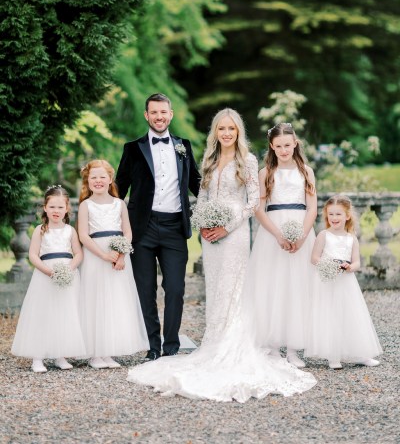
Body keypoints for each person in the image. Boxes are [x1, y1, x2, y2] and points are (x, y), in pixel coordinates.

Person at [126, 109, 316, 402]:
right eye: (222, 128)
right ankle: (213, 342)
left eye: (231, 129)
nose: (226, 133)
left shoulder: (249, 161)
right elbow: (201, 195)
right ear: (215, 132)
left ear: (238, 132)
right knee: (215, 289)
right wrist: (202, 221)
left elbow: (253, 201)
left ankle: (233, 344)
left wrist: (226, 226)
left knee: (233, 288)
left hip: (235, 232)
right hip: (209, 234)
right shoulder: (210, 159)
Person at [115, 93, 201, 360]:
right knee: (145, 288)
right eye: (154, 112)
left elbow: (196, 184)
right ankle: (153, 346)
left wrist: (218, 207)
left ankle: (171, 345)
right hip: (142, 227)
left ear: (170, 114)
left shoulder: (184, 146)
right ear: (147, 115)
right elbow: (119, 188)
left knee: (175, 288)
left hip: (175, 226)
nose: (159, 117)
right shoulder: (133, 148)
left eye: (163, 112)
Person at [243, 122, 317, 368]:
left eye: (288, 145)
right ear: (271, 147)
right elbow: (258, 209)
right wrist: (277, 234)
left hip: (301, 228)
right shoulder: (266, 173)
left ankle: (294, 349)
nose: (284, 150)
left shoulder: (306, 171)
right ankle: (273, 345)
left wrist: (303, 235)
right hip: (273, 232)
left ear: (295, 143)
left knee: (298, 286)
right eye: (278, 146)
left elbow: (312, 207)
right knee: (273, 285)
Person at [78, 159, 149, 369]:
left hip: (117, 258)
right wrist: (102, 254)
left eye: (102, 177)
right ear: (88, 181)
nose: (98, 181)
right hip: (95, 257)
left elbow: (127, 232)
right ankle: (94, 353)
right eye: (94, 178)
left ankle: (108, 351)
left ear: (110, 179)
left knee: (114, 300)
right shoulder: (86, 205)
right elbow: (83, 235)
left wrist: (121, 255)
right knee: (95, 300)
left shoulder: (119, 204)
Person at [12, 185, 86, 373]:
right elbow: (33, 255)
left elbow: (78, 254)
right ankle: (38, 357)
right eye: (52, 206)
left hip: (67, 277)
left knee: (64, 313)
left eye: (60, 207)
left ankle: (60, 354)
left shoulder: (70, 230)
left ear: (67, 209)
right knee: (43, 314)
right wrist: (48, 271)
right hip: (45, 276)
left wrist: (68, 269)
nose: (56, 211)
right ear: (45, 207)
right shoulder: (40, 230)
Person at [305, 194, 382, 369]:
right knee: (330, 315)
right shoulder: (323, 235)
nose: (334, 218)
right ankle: (333, 356)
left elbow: (357, 262)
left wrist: (349, 267)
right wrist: (328, 265)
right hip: (327, 282)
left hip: (346, 283)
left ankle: (360, 354)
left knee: (351, 315)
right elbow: (314, 258)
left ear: (347, 216)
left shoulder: (351, 238)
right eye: (330, 214)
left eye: (338, 214)